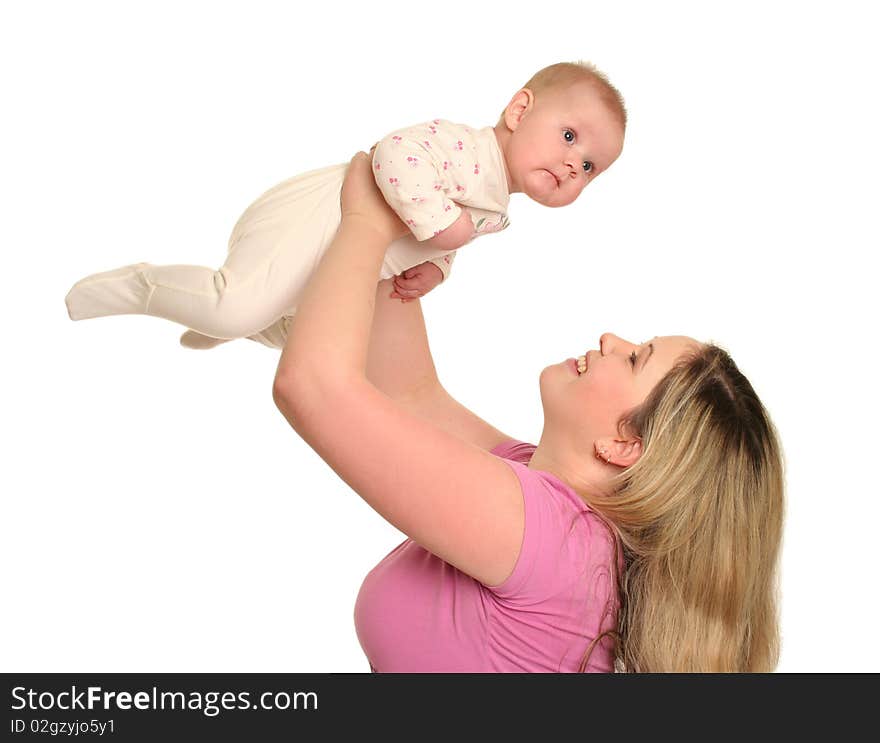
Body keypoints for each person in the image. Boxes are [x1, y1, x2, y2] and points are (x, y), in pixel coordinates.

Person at [272, 152, 786, 672]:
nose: (611, 338)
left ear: (626, 444)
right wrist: (405, 224)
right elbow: (411, 395)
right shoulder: (552, 503)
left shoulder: (555, 539)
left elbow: (313, 388)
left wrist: (364, 221)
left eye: (635, 358)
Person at [63, 61, 626, 350]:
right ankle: (146, 287)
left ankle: (240, 320)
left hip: (343, 256)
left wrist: (437, 267)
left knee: (310, 339)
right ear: (519, 109)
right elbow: (394, 155)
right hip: (315, 217)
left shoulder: (497, 204)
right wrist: (440, 226)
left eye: (588, 169)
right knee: (236, 304)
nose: (571, 166)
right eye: (570, 137)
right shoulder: (466, 147)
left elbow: (445, 233)